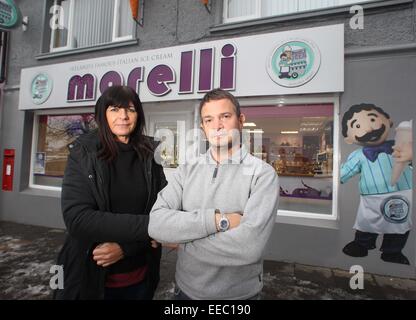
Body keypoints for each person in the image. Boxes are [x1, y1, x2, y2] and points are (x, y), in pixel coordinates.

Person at [148, 88, 279, 300]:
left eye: (225, 117)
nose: (217, 126)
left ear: (241, 120)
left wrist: (181, 241)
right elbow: (156, 224)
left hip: (238, 297)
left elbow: (249, 247)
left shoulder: (262, 175)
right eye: (209, 120)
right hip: (185, 291)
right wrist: (220, 221)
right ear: (202, 127)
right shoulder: (186, 170)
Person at [54, 86, 167, 299]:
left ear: (138, 115)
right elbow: (78, 219)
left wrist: (128, 246)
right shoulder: (84, 152)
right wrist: (152, 229)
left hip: (141, 277)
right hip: (91, 279)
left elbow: (163, 208)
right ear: (102, 114)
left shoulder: (150, 155)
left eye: (130, 110)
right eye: (115, 109)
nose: (123, 116)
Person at [340, 103, 412, 265]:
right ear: (349, 138)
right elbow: (344, 173)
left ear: (388, 121)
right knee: (367, 221)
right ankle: (362, 245)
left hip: (402, 193)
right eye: (357, 126)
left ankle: (392, 251)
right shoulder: (358, 155)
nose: (370, 129)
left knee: (399, 223)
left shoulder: (401, 147)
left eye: (373, 119)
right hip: (371, 198)